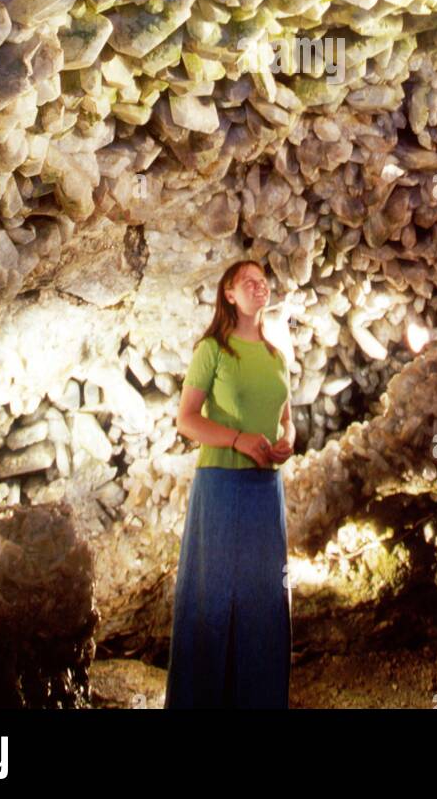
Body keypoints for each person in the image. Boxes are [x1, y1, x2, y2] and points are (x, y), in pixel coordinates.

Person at [163, 258, 295, 709]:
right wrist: (238, 440)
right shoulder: (213, 350)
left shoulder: (277, 357)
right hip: (220, 485)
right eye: (248, 282)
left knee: (264, 600)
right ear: (229, 294)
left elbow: (286, 420)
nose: (260, 287)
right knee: (212, 599)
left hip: (265, 491)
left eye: (264, 281)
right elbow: (186, 420)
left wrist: (287, 443)